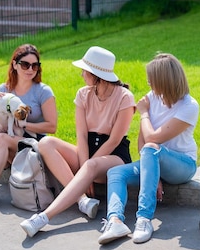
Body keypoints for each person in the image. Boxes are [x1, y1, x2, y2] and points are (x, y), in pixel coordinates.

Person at [19, 46, 135, 237]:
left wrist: (86, 169)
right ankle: (82, 200)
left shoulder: (124, 97)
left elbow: (114, 140)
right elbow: (81, 135)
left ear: (97, 74)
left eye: (85, 71)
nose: (81, 74)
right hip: (86, 154)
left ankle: (43, 218)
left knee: (91, 165)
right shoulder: (83, 94)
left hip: (113, 157)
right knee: (46, 143)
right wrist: (85, 167)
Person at [97, 53, 199, 245]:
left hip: (182, 166)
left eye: (152, 78)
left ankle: (144, 218)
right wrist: (153, 176)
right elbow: (142, 142)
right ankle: (115, 220)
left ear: (164, 80)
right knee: (116, 172)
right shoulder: (152, 98)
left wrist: (143, 113)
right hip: (153, 159)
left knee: (152, 148)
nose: (148, 82)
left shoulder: (189, 106)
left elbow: (152, 138)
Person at [0, 44, 57, 215]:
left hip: (33, 144)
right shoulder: (3, 89)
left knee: (0, 138)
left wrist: (24, 125)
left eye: (35, 65)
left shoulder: (43, 91)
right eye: (25, 64)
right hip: (9, 141)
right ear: (14, 64)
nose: (30, 69)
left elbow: (52, 127)